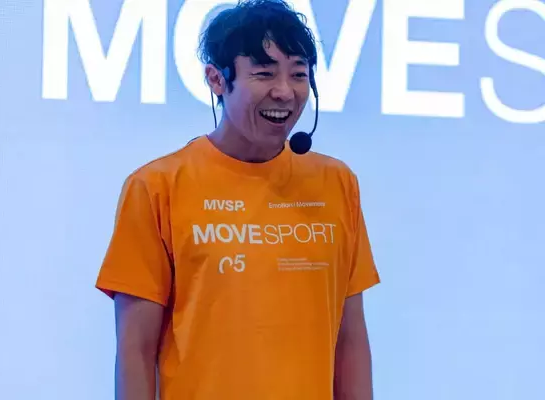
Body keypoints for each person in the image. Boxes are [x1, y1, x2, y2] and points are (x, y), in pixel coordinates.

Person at [95, 0, 380, 399]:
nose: (284, 92)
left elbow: (349, 339)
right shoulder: (157, 187)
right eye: (264, 74)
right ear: (216, 79)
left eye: (299, 74)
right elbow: (135, 350)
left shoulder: (337, 183)